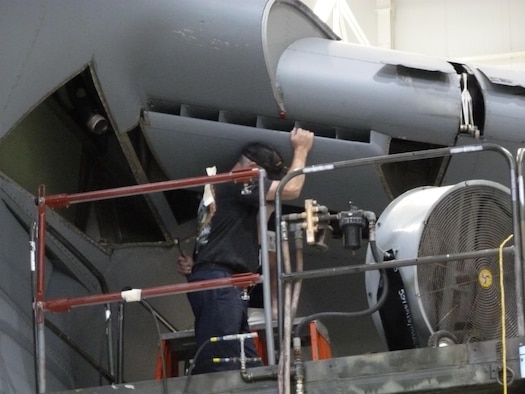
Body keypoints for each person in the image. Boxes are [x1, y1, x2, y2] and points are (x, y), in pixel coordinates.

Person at [177, 127, 314, 374]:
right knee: (220, 363)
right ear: (251, 168)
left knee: (245, 363)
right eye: (266, 177)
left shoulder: (220, 190)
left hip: (223, 282)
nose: (268, 183)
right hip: (220, 283)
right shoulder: (237, 182)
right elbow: (290, 190)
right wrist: (302, 150)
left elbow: (233, 233)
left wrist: (196, 265)